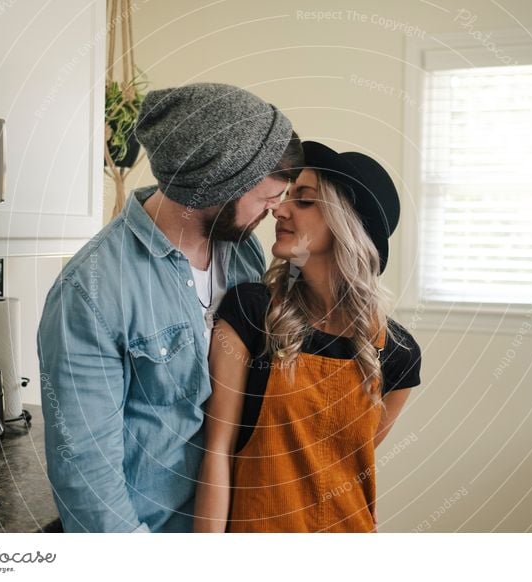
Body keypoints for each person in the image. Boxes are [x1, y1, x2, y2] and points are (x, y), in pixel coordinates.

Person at [37, 83, 303, 532]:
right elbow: (86, 473)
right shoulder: (91, 290)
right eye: (266, 198)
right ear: (217, 184)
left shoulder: (243, 254)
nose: (276, 210)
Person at [194, 141, 422, 532]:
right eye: (286, 196)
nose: (279, 209)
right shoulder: (250, 314)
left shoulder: (399, 355)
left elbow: (345, 467)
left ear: (344, 224)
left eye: (304, 200)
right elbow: (217, 452)